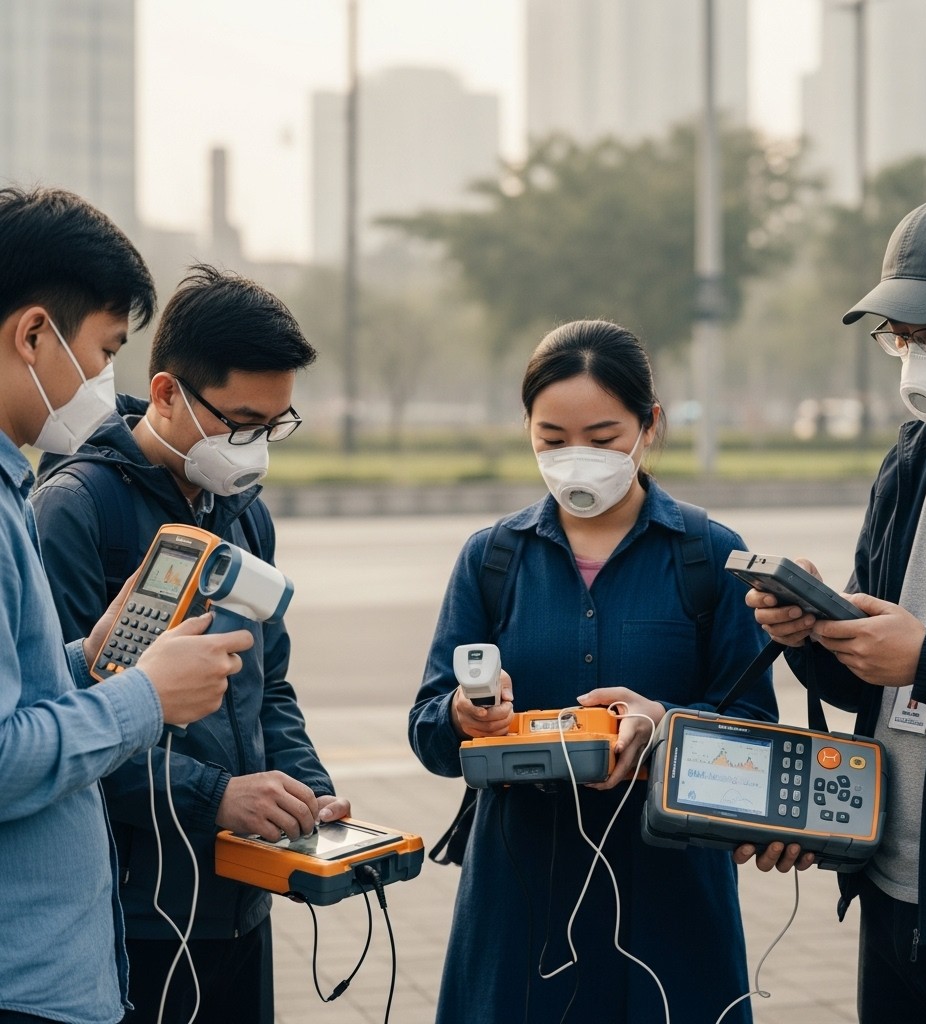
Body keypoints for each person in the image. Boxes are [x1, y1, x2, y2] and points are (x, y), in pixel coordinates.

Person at [409, 320, 777, 1024]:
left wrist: (667, 725)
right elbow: (427, 733)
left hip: (671, 901)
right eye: (553, 440)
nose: (577, 459)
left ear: (649, 425)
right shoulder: (492, 559)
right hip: (519, 902)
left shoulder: (709, 556)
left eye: (602, 439)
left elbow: (755, 733)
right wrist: (463, 714)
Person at [30, 264, 350, 1024]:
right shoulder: (75, 512)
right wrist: (218, 796)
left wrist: (308, 787)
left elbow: (268, 686)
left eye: (274, 427)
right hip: (136, 909)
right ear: (168, 392)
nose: (257, 448)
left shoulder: (243, 512)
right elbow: (64, 722)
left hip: (242, 893)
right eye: (241, 424)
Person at [740, 191, 926, 1024]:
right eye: (903, 335)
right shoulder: (915, 459)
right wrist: (811, 635)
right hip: (893, 892)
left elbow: (920, 664)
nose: (920, 355)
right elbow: (877, 684)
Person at [0, 187, 254, 1024]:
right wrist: (145, 694)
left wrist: (88, 658)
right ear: (33, 334)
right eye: (103, 351)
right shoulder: (59, 501)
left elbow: (25, 699)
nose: (105, 382)